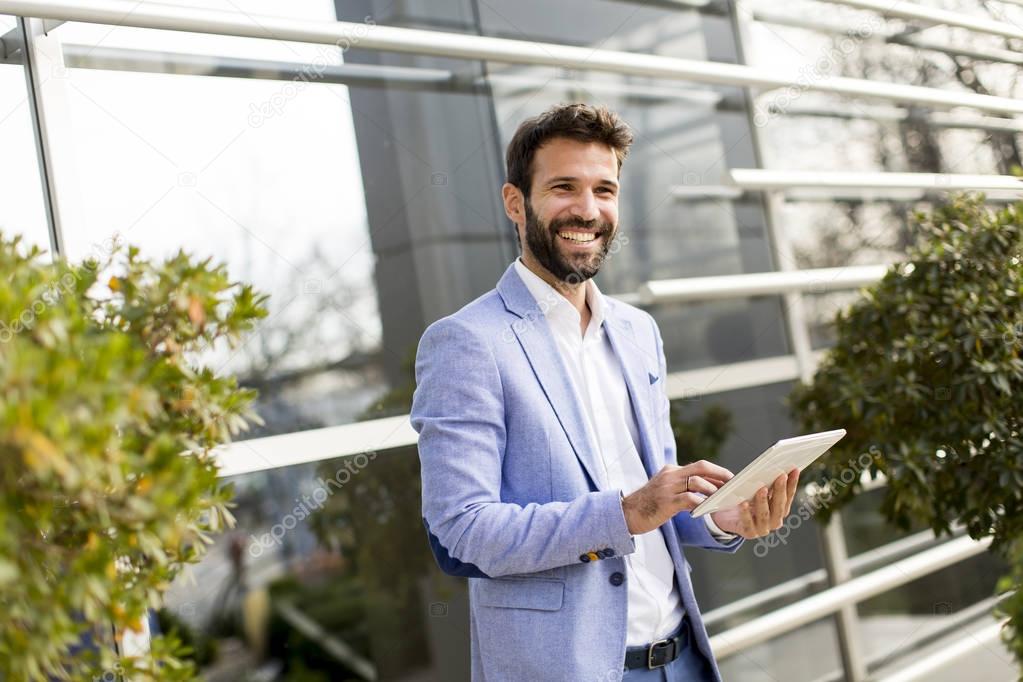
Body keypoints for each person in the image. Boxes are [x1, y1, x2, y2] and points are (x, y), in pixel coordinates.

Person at [410, 103, 799, 682]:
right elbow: (462, 531)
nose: (587, 210)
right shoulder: (467, 343)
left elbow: (659, 499)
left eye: (604, 189)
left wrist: (723, 518)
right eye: (564, 187)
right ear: (516, 202)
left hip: (683, 658)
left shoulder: (638, 331)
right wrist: (624, 512)